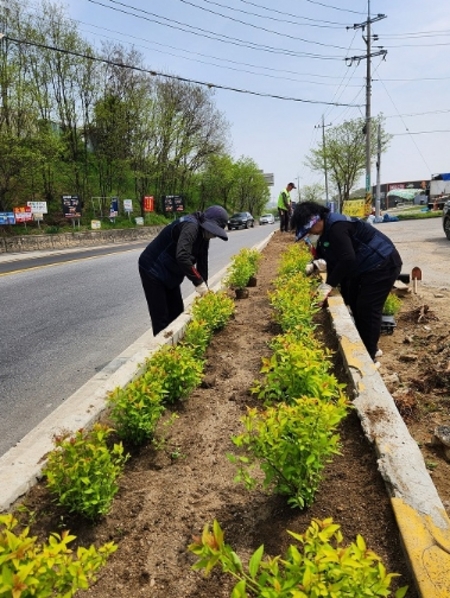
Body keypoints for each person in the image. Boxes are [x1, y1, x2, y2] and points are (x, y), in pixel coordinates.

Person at [291, 201, 402, 363]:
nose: (309, 235)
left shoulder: (337, 227)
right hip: (365, 266)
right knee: (355, 303)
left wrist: (328, 285)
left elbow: (347, 259)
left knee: (367, 307)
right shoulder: (326, 230)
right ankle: (369, 345)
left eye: (308, 231)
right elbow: (327, 255)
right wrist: (314, 264)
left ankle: (369, 358)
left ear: (316, 221)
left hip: (382, 262)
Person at [138, 205, 228, 336]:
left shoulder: (204, 237)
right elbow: (183, 256)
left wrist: (205, 289)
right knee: (161, 317)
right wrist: (198, 282)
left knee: (176, 313)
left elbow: (202, 264)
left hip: (171, 272)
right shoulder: (190, 226)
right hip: (152, 269)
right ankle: (163, 352)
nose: (214, 235)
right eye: (214, 231)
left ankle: (176, 352)